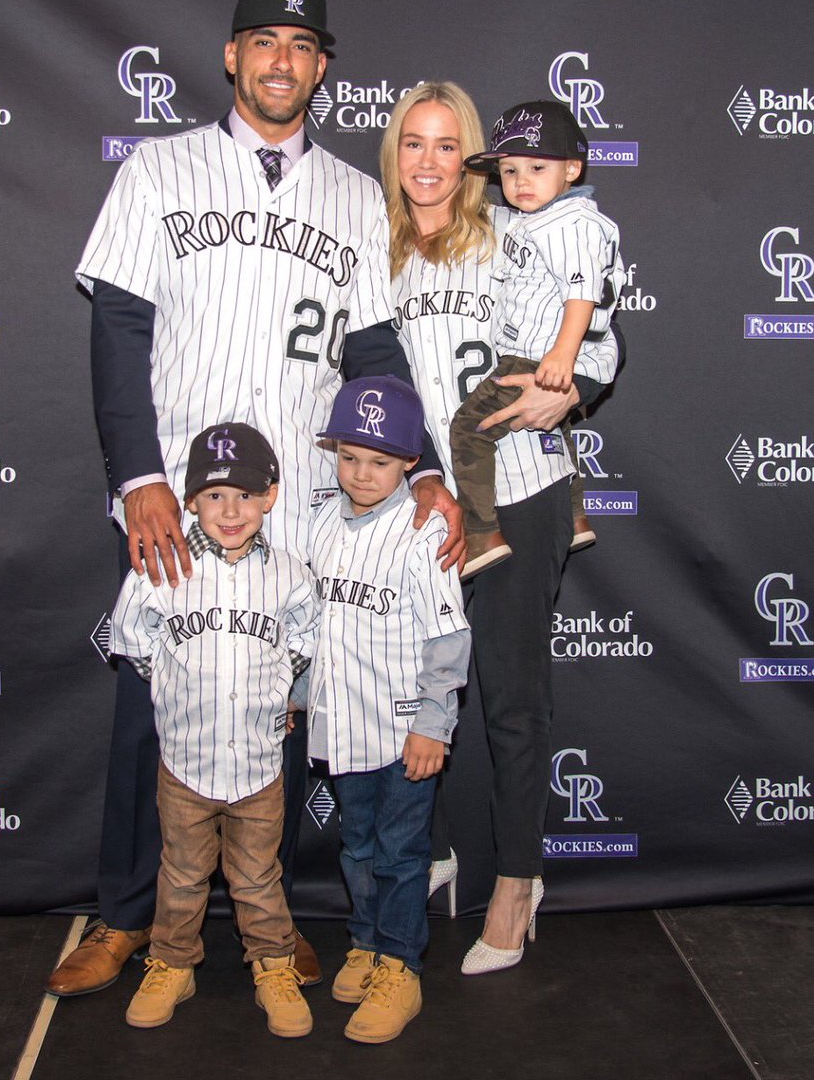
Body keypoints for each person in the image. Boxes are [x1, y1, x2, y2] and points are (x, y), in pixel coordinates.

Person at [48, 0, 462, 997]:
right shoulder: (158, 169)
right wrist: (140, 474)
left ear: (323, 68)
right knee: (155, 710)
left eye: (302, 45)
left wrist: (428, 473)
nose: (282, 60)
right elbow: (119, 330)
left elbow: (371, 349)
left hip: (306, 511)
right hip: (181, 502)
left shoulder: (355, 197)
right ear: (233, 56)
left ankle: (267, 920)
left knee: (276, 707)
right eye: (264, 41)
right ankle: (124, 915)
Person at [380, 82, 621, 974]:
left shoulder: (513, 235)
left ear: (472, 157)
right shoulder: (379, 253)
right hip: (424, 497)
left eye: (448, 146)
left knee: (511, 705)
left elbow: (600, 342)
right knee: (409, 691)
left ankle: (518, 884)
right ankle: (427, 856)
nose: (430, 163)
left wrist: (566, 391)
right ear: (395, 154)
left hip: (522, 488)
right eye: (414, 144)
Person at [108, 423, 318, 1035]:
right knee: (180, 873)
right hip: (186, 760)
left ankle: (273, 965)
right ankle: (173, 962)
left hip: (257, 764)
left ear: (271, 498)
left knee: (258, 876)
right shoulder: (160, 569)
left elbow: (303, 642)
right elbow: (134, 641)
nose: (232, 511)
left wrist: (281, 691)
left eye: (246, 496)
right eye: (216, 496)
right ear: (191, 499)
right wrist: (175, 690)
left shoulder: (290, 574)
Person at [300, 376, 470, 1042]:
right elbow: (311, 625)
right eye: (348, 456)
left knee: (400, 855)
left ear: (408, 464)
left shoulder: (421, 529)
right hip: (341, 722)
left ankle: (400, 966)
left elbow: (448, 637)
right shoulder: (320, 522)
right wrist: (296, 693)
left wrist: (434, 723)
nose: (360, 472)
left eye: (377, 460)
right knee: (357, 847)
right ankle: (366, 942)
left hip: (403, 732)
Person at [451, 100, 624, 577]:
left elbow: (584, 293)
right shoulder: (548, 219)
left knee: (469, 429)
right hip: (540, 353)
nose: (520, 181)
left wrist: (564, 358)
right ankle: (576, 514)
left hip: (534, 356)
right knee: (559, 429)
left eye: (536, 167)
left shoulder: (569, 223)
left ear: (572, 168)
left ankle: (482, 534)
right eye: (508, 170)